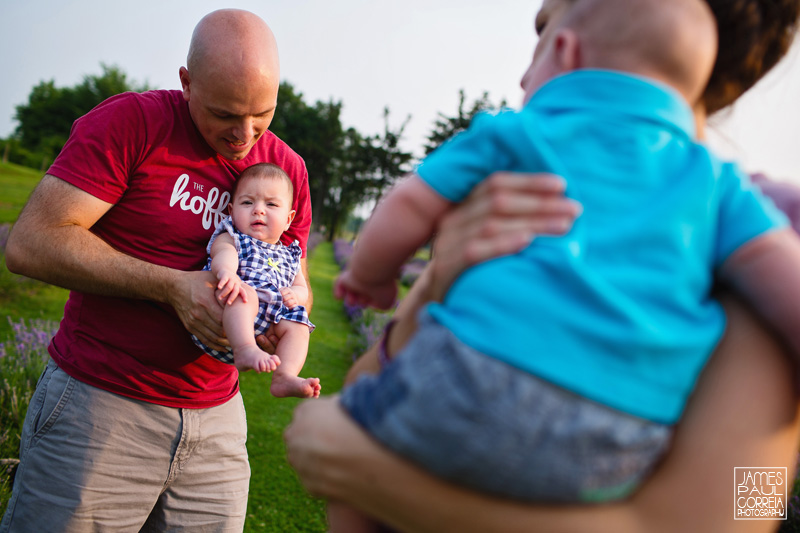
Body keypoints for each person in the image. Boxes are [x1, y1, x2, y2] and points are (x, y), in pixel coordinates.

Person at [286, 0, 800, 531]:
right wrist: (438, 282)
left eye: (542, 28)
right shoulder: (725, 205)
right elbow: (375, 370)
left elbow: (745, 515)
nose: (522, 73)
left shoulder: (781, 225)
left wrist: (369, 472)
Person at [1, 9, 312, 531]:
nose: (245, 135)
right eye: (224, 114)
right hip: (100, 408)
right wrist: (170, 287)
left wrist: (283, 323)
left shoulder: (287, 171)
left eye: (263, 113)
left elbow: (292, 276)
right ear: (186, 83)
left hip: (218, 424)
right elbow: (31, 243)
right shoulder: (132, 123)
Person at [194, 163, 320, 398]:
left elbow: (301, 287)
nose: (258, 210)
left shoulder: (289, 254)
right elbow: (223, 254)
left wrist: (297, 295)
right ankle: (245, 350)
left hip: (270, 321)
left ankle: (285, 376)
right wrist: (228, 273)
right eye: (247, 202)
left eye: (271, 204)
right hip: (225, 317)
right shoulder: (233, 236)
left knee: (299, 326)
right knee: (245, 294)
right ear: (231, 210)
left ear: (289, 219)